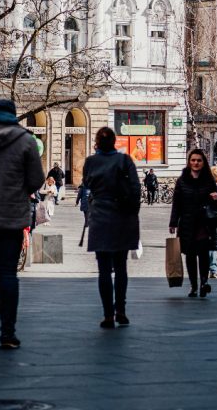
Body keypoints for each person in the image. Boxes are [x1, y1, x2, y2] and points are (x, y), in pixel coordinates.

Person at [0, 98, 45, 349]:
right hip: (10, 219)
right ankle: (8, 334)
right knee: (7, 274)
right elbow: (36, 180)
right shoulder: (25, 140)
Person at [82, 127, 141, 329]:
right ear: (115, 141)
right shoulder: (125, 161)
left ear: (97, 142)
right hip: (122, 217)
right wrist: (132, 212)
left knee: (104, 269)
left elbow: (86, 182)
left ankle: (107, 314)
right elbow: (135, 188)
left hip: (100, 217)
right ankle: (120, 310)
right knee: (121, 266)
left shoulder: (91, 162)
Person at [169, 149, 217, 298]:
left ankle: (204, 283)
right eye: (193, 160)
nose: (196, 163)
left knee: (203, 255)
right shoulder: (182, 180)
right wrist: (173, 222)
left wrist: (216, 197)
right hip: (187, 223)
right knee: (190, 256)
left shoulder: (209, 180)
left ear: (203, 162)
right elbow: (176, 203)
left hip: (204, 224)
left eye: (199, 160)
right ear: (189, 162)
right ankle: (193, 286)